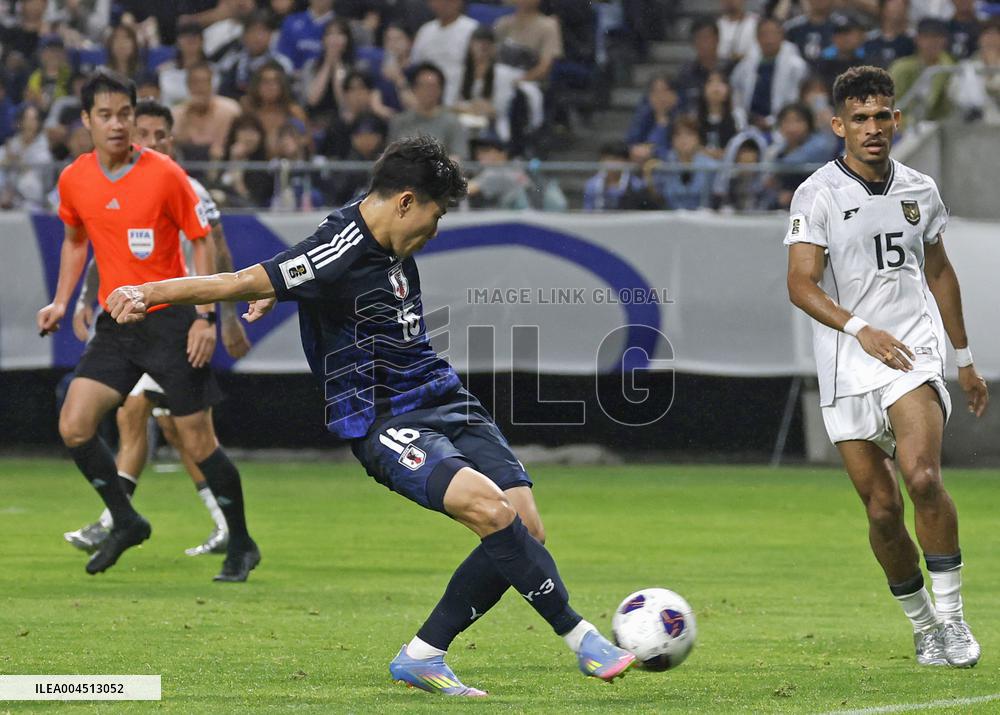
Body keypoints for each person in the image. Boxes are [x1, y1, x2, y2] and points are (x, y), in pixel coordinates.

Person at [105, 134, 637, 695]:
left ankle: (423, 654)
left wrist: (285, 292)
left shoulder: (382, 239)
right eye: (433, 218)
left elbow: (298, 280)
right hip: (383, 416)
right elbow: (237, 282)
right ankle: (583, 640)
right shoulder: (339, 246)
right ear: (405, 200)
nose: (432, 233)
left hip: (441, 394)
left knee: (525, 525)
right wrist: (148, 290)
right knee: (489, 508)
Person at [785, 65, 986, 668]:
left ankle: (952, 622)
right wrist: (858, 329)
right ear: (838, 125)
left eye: (882, 116)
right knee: (881, 509)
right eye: (861, 118)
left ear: (896, 119)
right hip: (847, 362)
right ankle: (923, 625)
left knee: (922, 478)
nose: (874, 128)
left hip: (911, 352)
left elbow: (940, 270)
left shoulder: (920, 189)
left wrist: (965, 359)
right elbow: (800, 283)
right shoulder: (817, 193)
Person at [35, 69, 259, 582]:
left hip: (173, 320)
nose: (117, 124)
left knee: (197, 442)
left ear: (135, 118)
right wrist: (61, 300)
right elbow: (75, 241)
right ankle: (127, 517)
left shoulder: (165, 174)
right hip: (119, 322)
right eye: (106, 115)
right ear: (87, 120)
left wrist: (205, 316)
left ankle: (241, 543)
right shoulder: (75, 178)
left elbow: (201, 240)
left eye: (125, 114)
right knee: (74, 424)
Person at [730, 17, 810, 129]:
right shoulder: (746, 64)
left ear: (782, 35)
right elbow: (736, 95)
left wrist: (773, 121)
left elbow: (795, 99)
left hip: (783, 125)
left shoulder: (796, 66)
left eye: (773, 33)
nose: (769, 39)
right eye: (764, 34)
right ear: (757, 37)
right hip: (750, 123)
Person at [388, 62, 468, 160]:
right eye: (423, 86)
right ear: (414, 89)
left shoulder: (452, 123)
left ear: (441, 90)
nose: (428, 91)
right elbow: (391, 156)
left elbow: (459, 156)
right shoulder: (399, 121)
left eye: (433, 86)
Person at [410, 0, 479, 107]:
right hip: (427, 99)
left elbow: (479, 68)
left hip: (459, 99)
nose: (441, 5)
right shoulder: (425, 30)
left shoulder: (472, 29)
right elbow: (416, 65)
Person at [890, 17, 955, 121]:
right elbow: (890, 103)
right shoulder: (901, 68)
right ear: (917, 39)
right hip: (903, 127)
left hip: (940, 127)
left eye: (937, 37)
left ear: (945, 40)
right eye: (926, 37)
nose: (932, 42)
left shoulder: (951, 69)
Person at [862, 0, 915, 68]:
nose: (896, 9)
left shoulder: (913, 40)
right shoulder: (867, 39)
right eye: (893, 6)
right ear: (883, 9)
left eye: (900, 6)